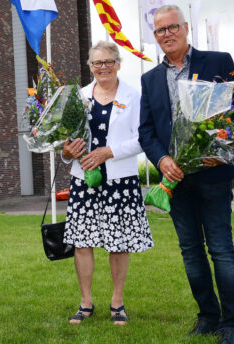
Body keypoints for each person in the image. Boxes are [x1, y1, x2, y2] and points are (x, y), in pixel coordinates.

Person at [138, 5, 234, 344]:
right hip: (176, 179)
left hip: (213, 174)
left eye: (172, 27)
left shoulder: (217, 61)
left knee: (221, 249)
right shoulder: (150, 79)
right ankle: (207, 316)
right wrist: (162, 158)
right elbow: (146, 131)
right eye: (160, 30)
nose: (167, 34)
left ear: (186, 28)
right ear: (155, 37)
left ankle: (231, 326)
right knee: (190, 250)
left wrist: (220, 147)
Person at [61, 41, 154, 326]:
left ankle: (117, 302)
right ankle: (85, 302)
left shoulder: (134, 96)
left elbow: (142, 138)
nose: (103, 67)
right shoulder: (78, 96)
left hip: (119, 180)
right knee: (81, 242)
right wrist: (66, 153)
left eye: (108, 62)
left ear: (118, 63)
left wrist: (108, 152)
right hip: (84, 179)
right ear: (90, 67)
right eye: (96, 63)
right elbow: (65, 139)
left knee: (118, 243)